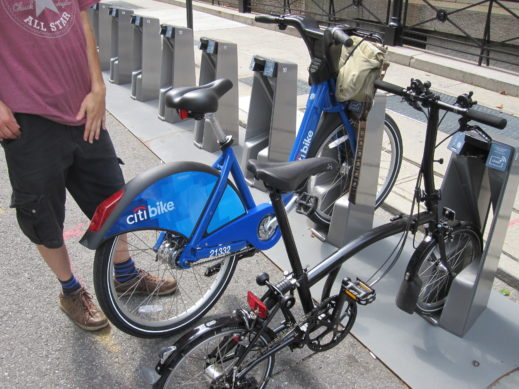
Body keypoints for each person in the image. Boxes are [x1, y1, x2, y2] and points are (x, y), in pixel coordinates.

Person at [0, 0, 176, 331]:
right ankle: (70, 291)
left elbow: (83, 22)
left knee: (113, 197)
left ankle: (124, 274)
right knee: (41, 214)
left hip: (83, 108)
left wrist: (98, 87)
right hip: (28, 117)